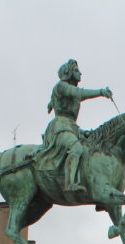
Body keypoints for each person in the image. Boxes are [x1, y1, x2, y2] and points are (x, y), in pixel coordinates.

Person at [37, 59, 113, 193]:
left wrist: (81, 132)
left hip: (72, 128)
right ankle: (69, 184)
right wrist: (101, 92)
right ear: (69, 73)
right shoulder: (62, 86)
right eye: (77, 71)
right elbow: (79, 94)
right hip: (60, 127)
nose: (80, 74)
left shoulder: (69, 89)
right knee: (76, 148)